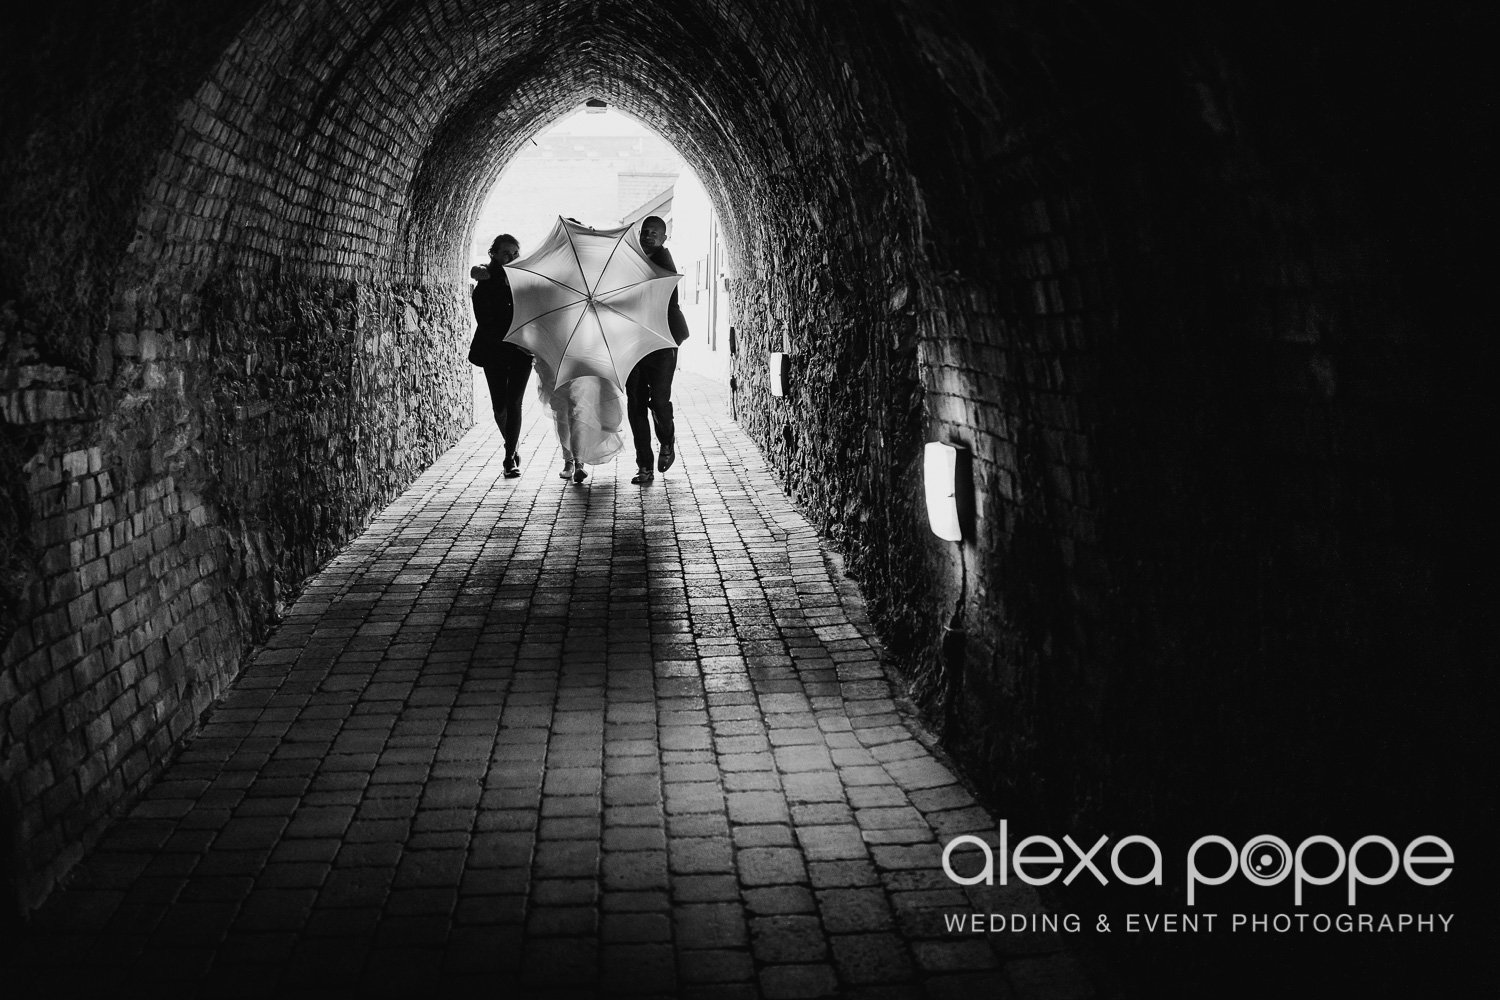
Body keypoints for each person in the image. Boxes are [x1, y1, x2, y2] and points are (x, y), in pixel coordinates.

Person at [627, 215, 689, 485]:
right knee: (636, 405)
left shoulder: (664, 261)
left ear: (663, 238)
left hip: (663, 341)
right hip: (633, 342)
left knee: (659, 401)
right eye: (645, 232)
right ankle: (644, 467)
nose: (648, 236)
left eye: (655, 233)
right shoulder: (630, 259)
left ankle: (667, 440)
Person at [467, 234, 530, 478]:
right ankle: (512, 448)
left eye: (516, 253)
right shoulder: (485, 283)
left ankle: (509, 458)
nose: (512, 257)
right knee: (499, 408)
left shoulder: (524, 280)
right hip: (494, 351)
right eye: (506, 253)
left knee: (514, 403)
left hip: (520, 353)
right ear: (493, 253)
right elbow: (486, 324)